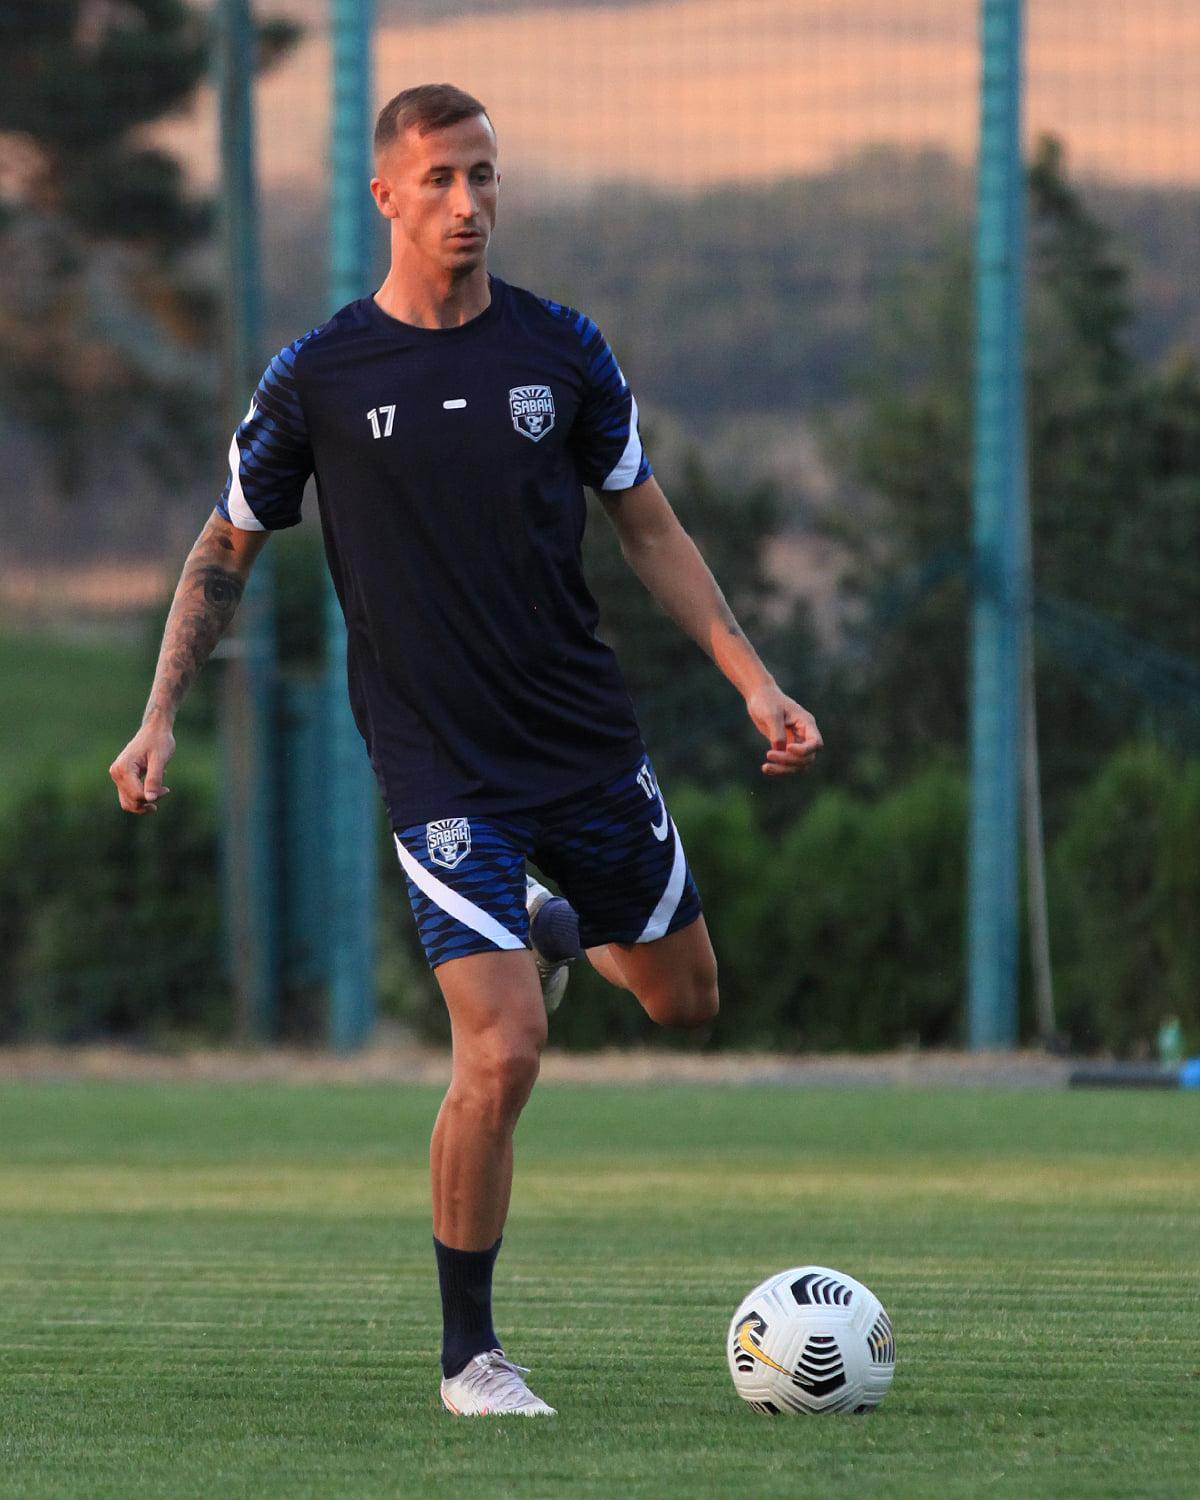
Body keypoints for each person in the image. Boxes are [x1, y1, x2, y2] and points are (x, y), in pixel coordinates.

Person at [110, 82, 822, 1417]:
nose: (467, 202)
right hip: (440, 771)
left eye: (484, 175)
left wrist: (757, 684)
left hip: (586, 745)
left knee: (684, 1000)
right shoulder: (319, 376)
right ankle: (472, 1358)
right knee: (502, 1052)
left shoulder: (564, 351)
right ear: (386, 195)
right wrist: (159, 712)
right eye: (439, 178)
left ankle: (550, 925)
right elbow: (226, 547)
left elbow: (650, 528)